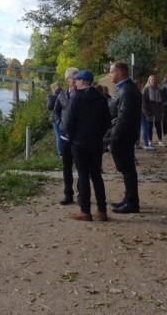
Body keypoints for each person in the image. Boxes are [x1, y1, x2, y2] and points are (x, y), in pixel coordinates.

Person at [65, 70, 112, 222]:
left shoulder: (76, 97)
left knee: (83, 175)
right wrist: (98, 135)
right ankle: (102, 210)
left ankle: (85, 211)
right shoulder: (101, 98)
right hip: (96, 142)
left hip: (79, 143)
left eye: (76, 80)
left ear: (81, 81)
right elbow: (107, 121)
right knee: (97, 175)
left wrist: (72, 138)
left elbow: (69, 122)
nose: (75, 82)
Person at [107, 61, 142, 214]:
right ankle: (129, 199)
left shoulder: (126, 90)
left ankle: (132, 202)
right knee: (126, 169)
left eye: (112, 72)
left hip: (123, 136)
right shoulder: (125, 88)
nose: (110, 75)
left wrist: (113, 136)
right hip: (125, 134)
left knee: (127, 169)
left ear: (120, 73)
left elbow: (124, 116)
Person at [53, 67, 79, 205]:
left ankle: (82, 194)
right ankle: (68, 194)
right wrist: (60, 124)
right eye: (72, 78)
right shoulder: (62, 95)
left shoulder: (82, 94)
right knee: (67, 167)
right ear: (67, 80)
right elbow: (55, 112)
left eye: (77, 77)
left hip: (79, 138)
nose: (75, 80)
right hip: (65, 138)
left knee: (81, 168)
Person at [142, 75, 164, 147]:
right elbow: (144, 102)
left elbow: (161, 102)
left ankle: (160, 140)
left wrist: (162, 111)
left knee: (158, 125)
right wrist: (146, 111)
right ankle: (150, 140)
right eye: (152, 80)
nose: (154, 81)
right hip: (149, 109)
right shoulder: (146, 89)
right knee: (149, 126)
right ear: (149, 81)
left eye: (155, 80)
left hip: (157, 109)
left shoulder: (159, 89)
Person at [47, 82, 63, 156]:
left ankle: (60, 153)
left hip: (55, 117)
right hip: (63, 116)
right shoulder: (64, 93)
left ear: (53, 88)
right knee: (64, 134)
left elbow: (49, 107)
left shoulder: (52, 96)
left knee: (58, 136)